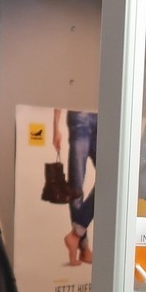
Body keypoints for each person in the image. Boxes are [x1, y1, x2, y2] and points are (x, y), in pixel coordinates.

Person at [52, 108, 96, 265]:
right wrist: (55, 127)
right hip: (79, 116)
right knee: (76, 187)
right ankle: (84, 249)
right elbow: (60, 93)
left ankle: (76, 235)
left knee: (111, 179)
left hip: (103, 117)